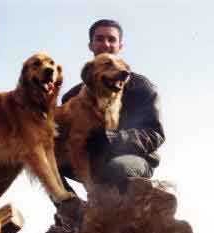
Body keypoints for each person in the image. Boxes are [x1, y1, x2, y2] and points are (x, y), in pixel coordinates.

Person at [60, 19, 165, 190]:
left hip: (133, 158)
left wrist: (112, 139)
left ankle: (131, 205)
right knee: (43, 158)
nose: (105, 44)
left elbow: (155, 134)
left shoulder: (142, 87)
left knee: (117, 167)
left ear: (120, 46)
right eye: (99, 39)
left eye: (111, 39)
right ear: (91, 45)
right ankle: (70, 209)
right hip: (91, 160)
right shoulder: (72, 96)